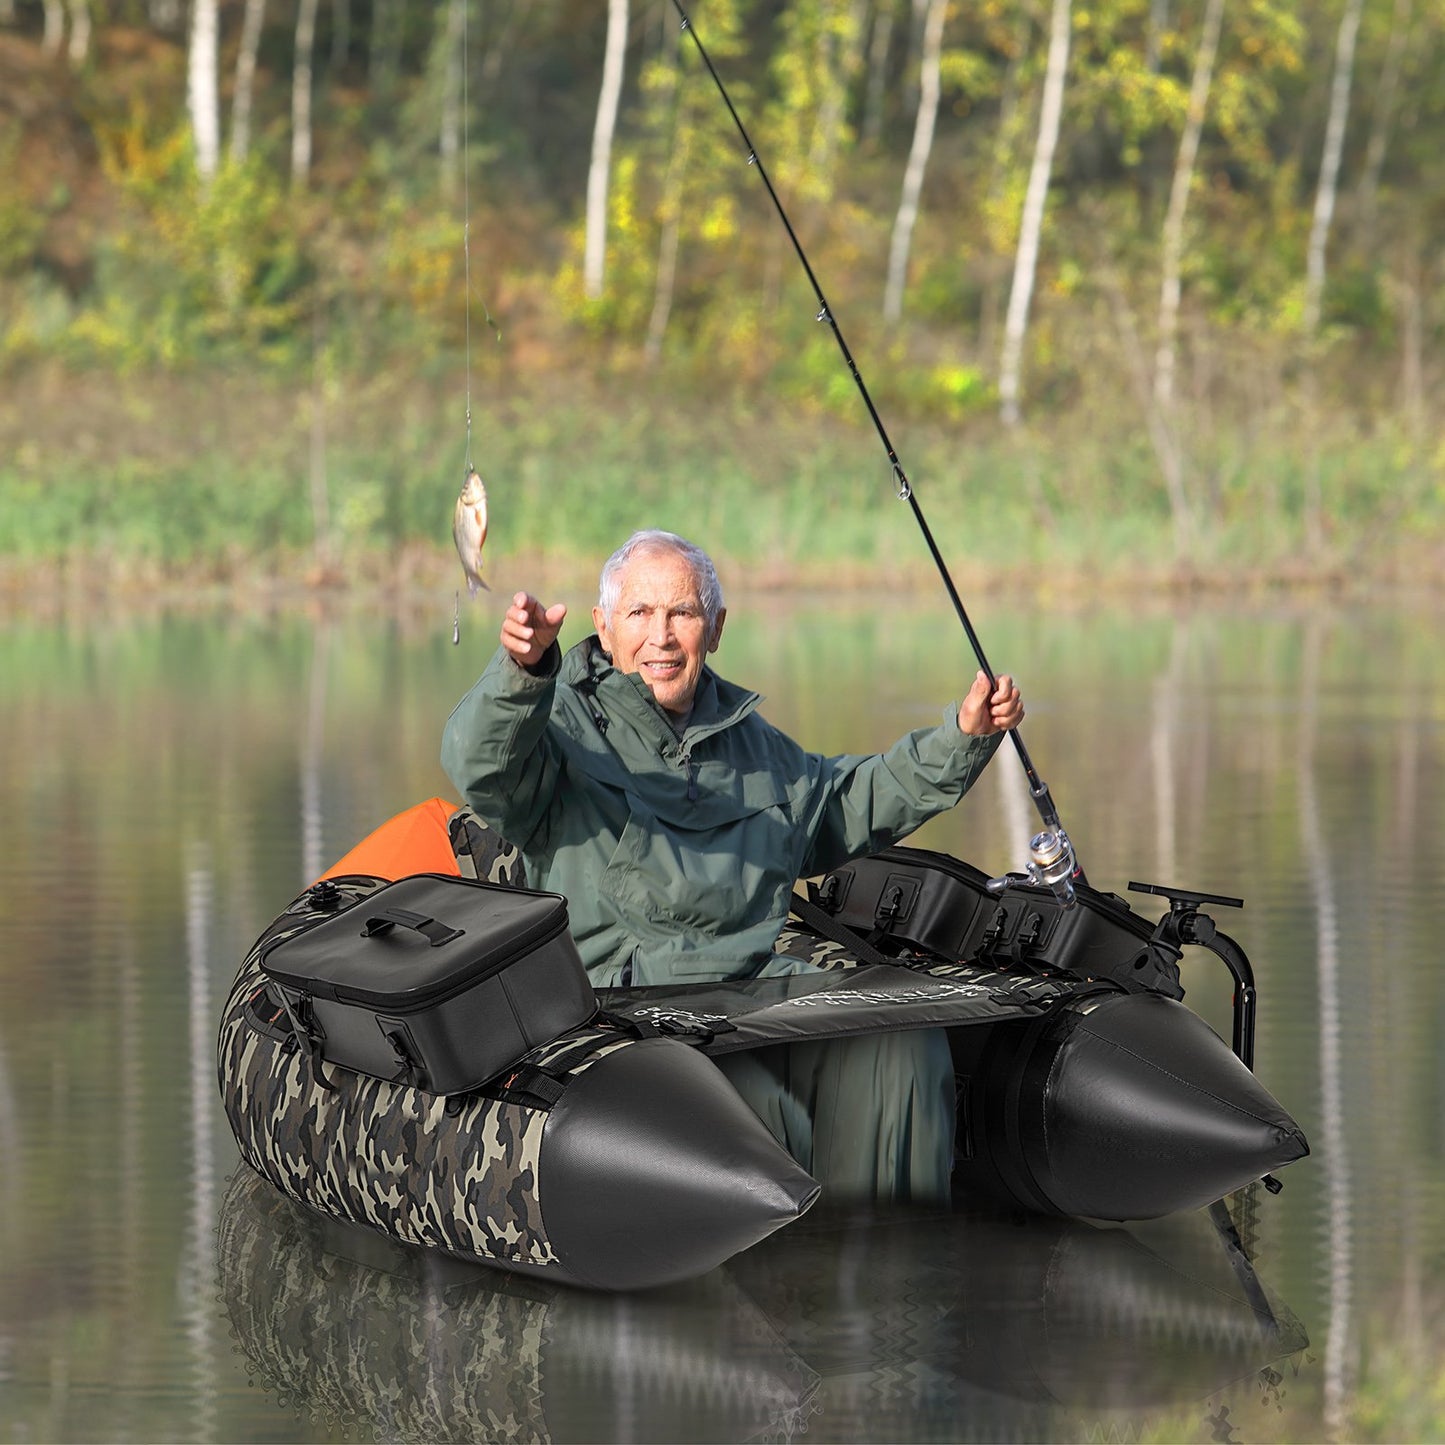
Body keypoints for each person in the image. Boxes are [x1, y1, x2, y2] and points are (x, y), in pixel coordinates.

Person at [441, 528, 1023, 1200]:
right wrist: (520, 673)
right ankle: (785, 1262)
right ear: (602, 626)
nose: (660, 636)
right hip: (620, 1003)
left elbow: (844, 805)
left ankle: (891, 1262)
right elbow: (478, 763)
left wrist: (962, 738)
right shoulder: (558, 725)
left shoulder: (756, 744)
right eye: (639, 613)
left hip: (751, 987)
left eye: (682, 613)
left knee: (900, 1046)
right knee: (760, 1105)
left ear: (714, 628)